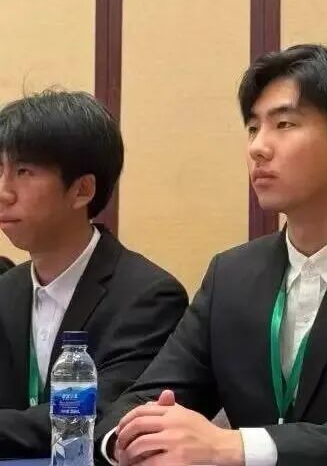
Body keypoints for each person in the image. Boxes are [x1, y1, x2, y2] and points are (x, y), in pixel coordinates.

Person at [94, 44, 327, 466]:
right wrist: (124, 441)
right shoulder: (231, 274)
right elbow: (145, 398)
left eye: (284, 124)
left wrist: (237, 446)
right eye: (253, 127)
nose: (258, 147)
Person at [0, 90, 189, 458]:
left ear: (82, 190)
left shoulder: (149, 296)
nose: (4, 192)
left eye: (24, 172)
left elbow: (97, 416)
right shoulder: (5, 290)